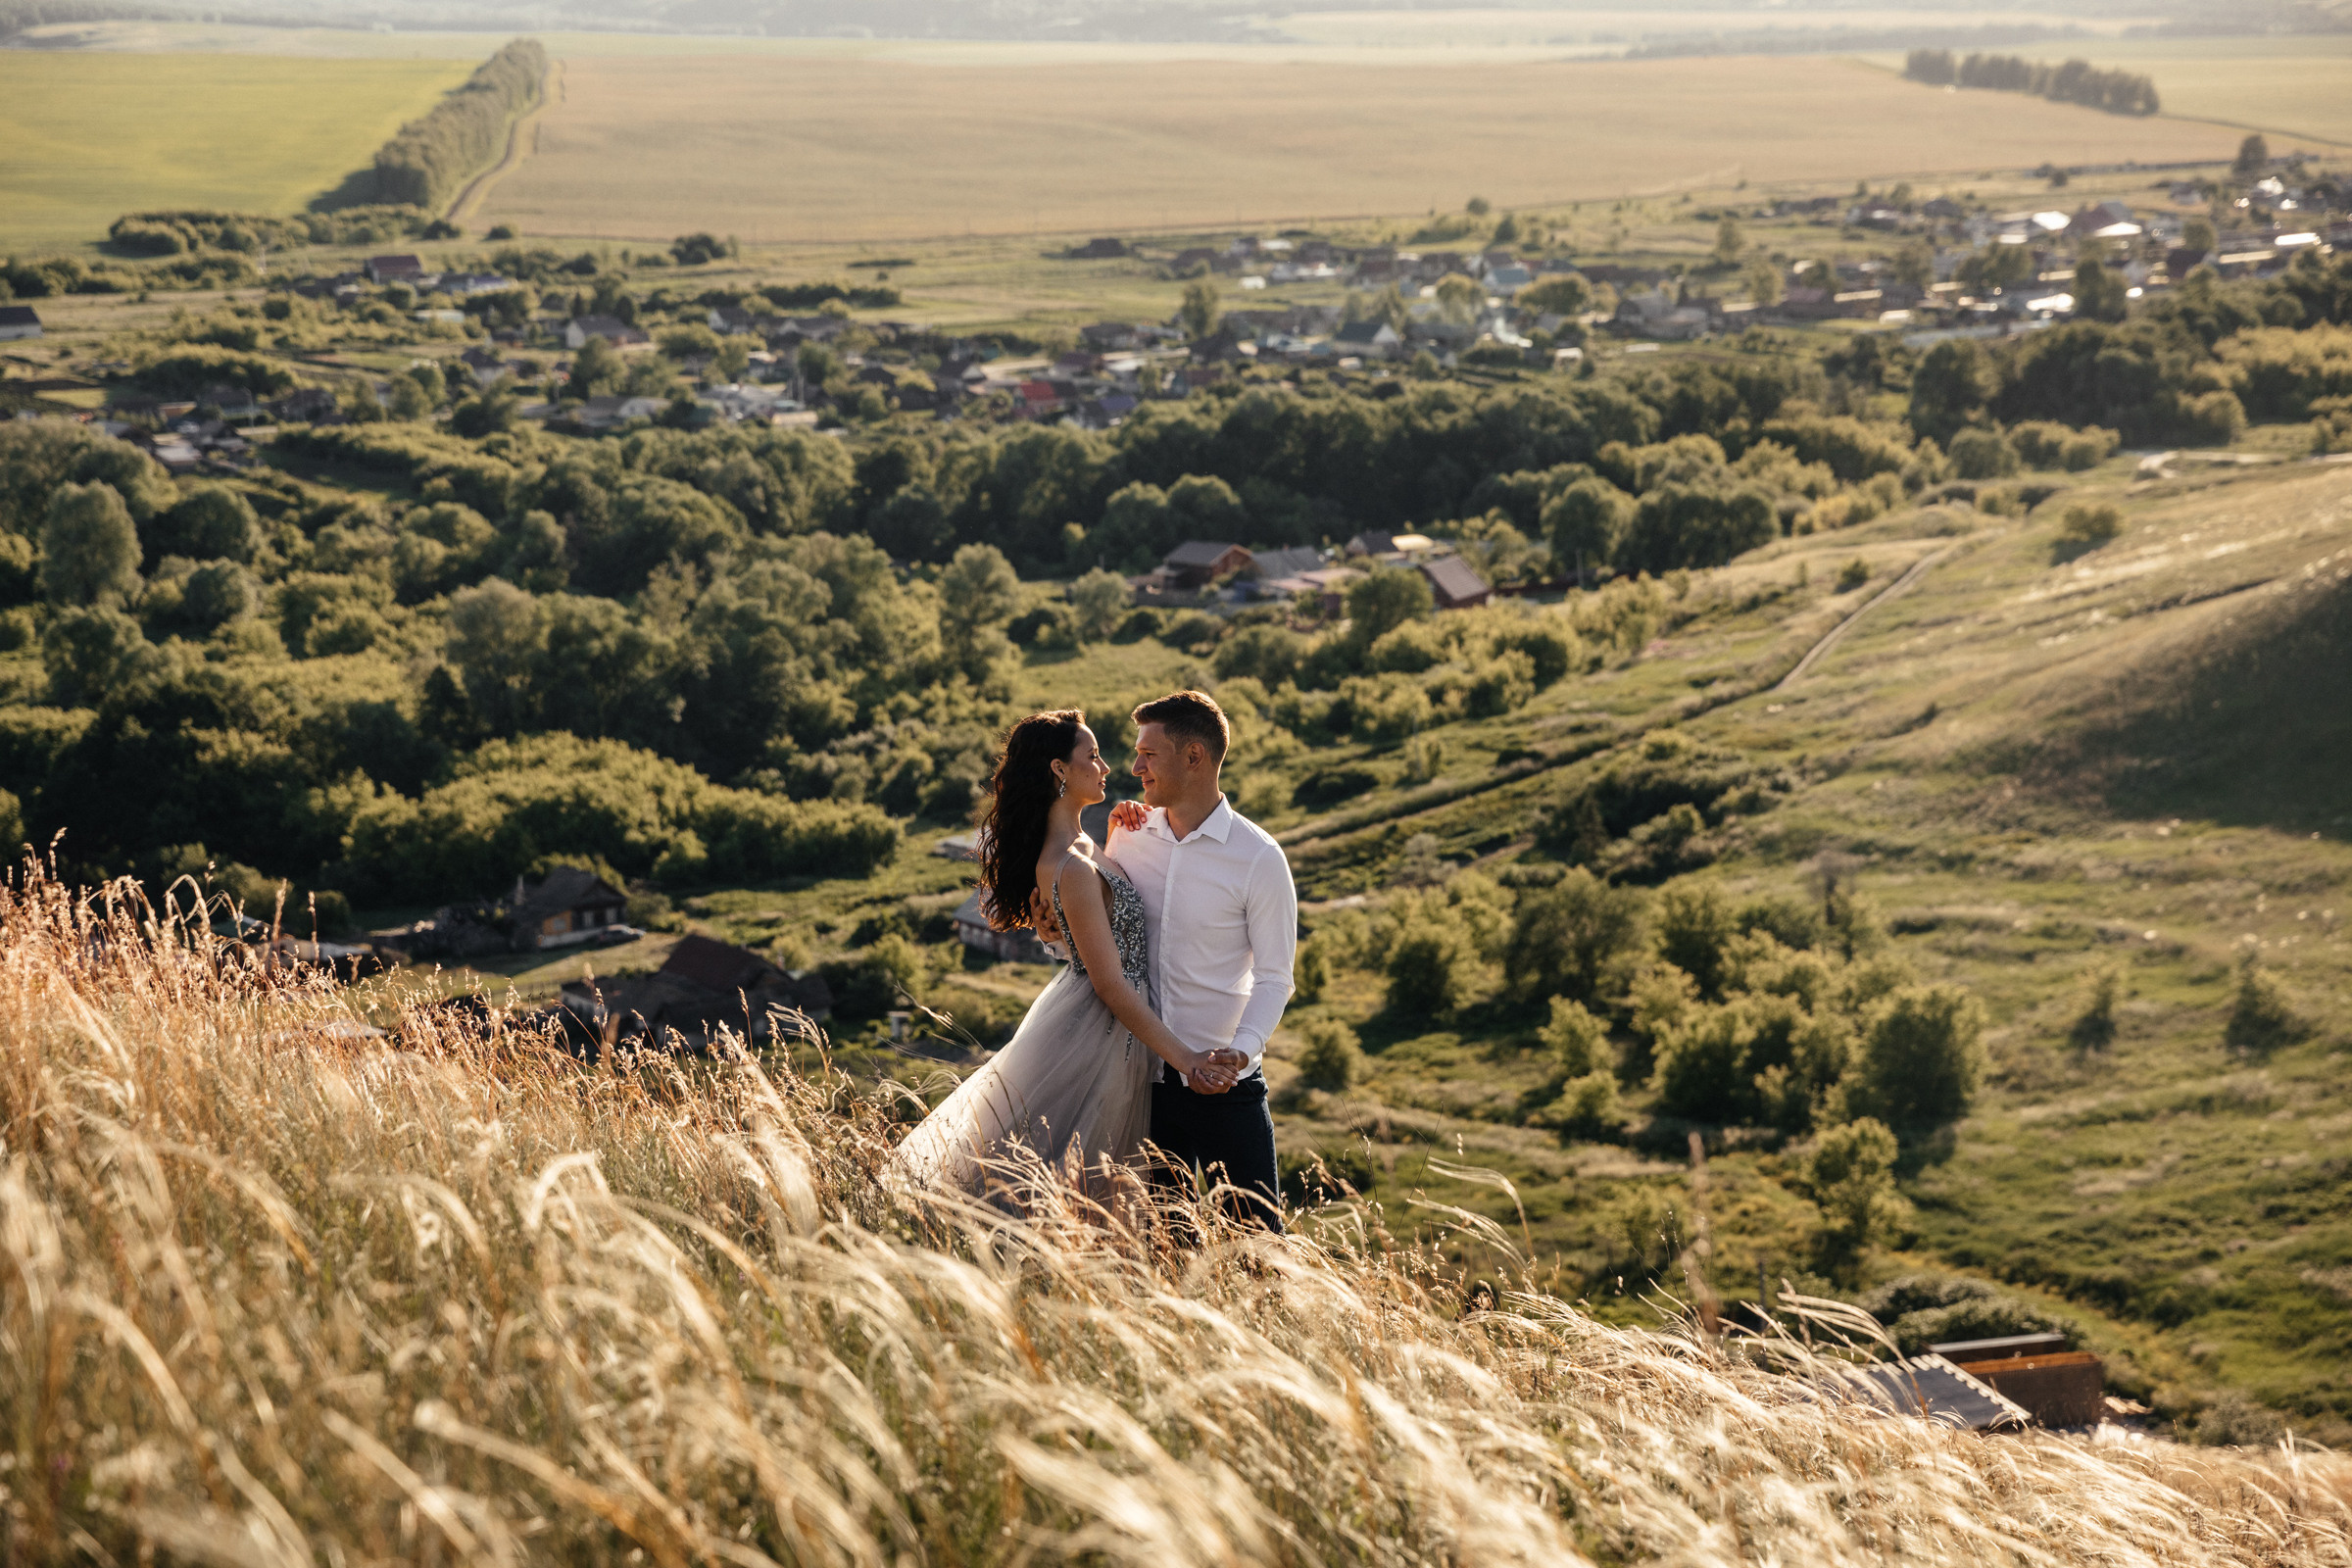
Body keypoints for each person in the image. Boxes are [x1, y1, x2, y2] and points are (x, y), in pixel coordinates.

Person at [890, 710, 1240, 1202]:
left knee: (1087, 1192)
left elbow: (1086, 934)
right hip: (1100, 1031)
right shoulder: (1070, 865)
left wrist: (1122, 828)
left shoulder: (1080, 844)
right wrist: (1187, 1059)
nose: (1107, 767)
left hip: (1115, 1026)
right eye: (1092, 756)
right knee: (1079, 1192)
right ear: (1059, 770)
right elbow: (1109, 982)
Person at [1102, 691, 1298, 1230]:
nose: (1136, 766)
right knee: (1164, 1250)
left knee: (1260, 1249)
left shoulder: (1259, 858)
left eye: (1149, 754)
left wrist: (1240, 1052)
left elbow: (1276, 977)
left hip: (1227, 1088)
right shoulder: (1127, 834)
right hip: (1144, 1084)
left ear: (1194, 757)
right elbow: (1103, 935)